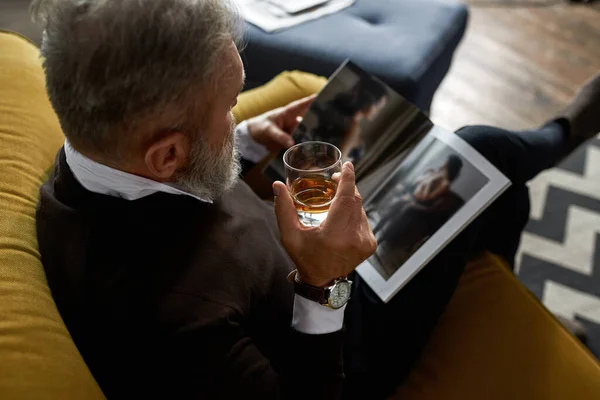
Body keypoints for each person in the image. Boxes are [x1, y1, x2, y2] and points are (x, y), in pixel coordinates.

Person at [32, 0, 600, 399]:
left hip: (295, 245)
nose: (238, 111)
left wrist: (247, 137)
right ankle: (561, 138)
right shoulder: (171, 318)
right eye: (230, 105)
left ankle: (508, 232)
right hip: (346, 339)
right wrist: (322, 282)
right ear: (166, 155)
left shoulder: (84, 162)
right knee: (480, 158)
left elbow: (177, 192)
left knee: (489, 189)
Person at [369, 155, 466, 277]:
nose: (443, 163)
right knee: (396, 203)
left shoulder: (445, 183)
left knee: (403, 206)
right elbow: (417, 184)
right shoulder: (436, 173)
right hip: (413, 198)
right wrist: (427, 177)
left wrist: (430, 182)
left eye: (446, 162)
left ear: (449, 165)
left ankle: (382, 237)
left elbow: (426, 197)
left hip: (420, 204)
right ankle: (376, 231)